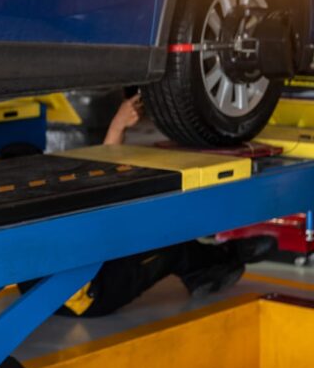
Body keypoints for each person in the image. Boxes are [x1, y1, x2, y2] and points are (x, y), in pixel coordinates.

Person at [49, 93, 276, 318]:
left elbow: (103, 186)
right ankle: (228, 256)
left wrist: (118, 127)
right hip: (86, 296)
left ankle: (202, 270)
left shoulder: (41, 198)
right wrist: (117, 127)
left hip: (61, 286)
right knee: (168, 243)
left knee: (145, 226)